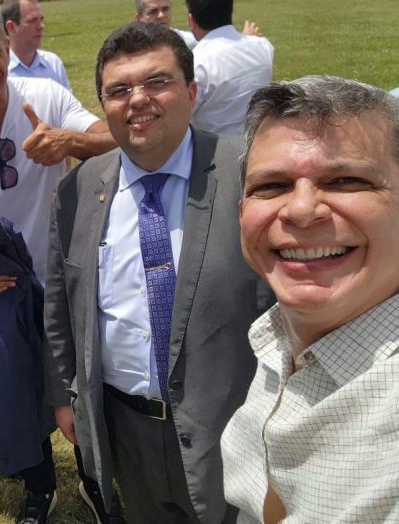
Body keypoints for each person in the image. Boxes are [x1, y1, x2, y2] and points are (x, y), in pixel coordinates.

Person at [43, 22, 273, 524]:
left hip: (230, 424)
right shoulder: (80, 189)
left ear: (191, 92)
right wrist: (66, 395)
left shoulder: (249, 176)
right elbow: (61, 301)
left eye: (157, 82)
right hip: (126, 427)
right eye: (119, 90)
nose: (137, 100)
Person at [0, 2, 115, 522]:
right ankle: (40, 485)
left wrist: (68, 141)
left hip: (62, 278)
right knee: (18, 390)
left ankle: (93, 480)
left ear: (8, 50)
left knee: (77, 381)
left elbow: (114, 136)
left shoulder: (46, 97)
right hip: (1, 288)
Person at [222, 76, 399, 523]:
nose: (301, 210)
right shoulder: (277, 337)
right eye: (271, 186)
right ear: (242, 211)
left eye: (346, 180)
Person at [186, 0, 273, 135]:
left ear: (191, 20)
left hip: (213, 152)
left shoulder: (196, 63)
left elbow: (180, 117)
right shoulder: (263, 46)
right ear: (230, 11)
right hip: (257, 144)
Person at [134, 0, 261, 50]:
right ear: (138, 18)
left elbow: (219, 44)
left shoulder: (183, 40)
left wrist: (244, 39)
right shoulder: (131, 47)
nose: (161, 15)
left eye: (165, 9)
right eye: (153, 11)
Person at [2, 0, 70, 90]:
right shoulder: (0, 72)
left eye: (41, 19)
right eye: (33, 20)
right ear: (11, 27)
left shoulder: (54, 64)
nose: (41, 26)